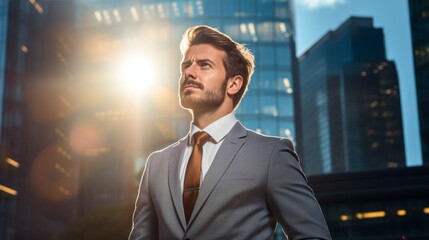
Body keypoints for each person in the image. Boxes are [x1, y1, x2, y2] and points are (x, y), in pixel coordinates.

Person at [129, 25, 332, 240]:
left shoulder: (270, 155)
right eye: (185, 66)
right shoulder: (156, 164)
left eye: (204, 65)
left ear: (233, 84)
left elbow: (313, 236)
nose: (189, 72)